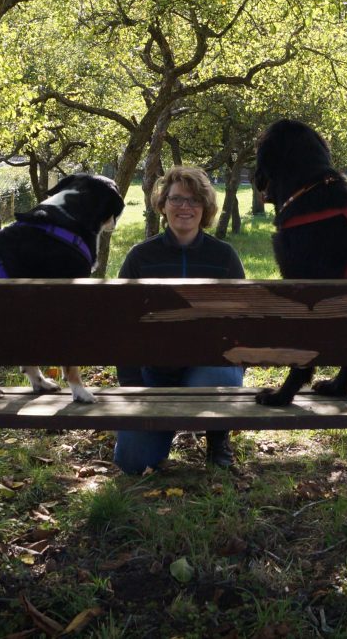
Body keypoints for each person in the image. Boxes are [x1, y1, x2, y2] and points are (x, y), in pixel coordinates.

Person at [114, 165, 245, 474]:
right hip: (154, 376)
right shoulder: (140, 257)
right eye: (176, 199)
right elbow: (120, 326)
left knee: (221, 377)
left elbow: (241, 324)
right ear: (162, 205)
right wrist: (133, 386)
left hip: (208, 369)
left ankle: (216, 436)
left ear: (206, 207)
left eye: (194, 200)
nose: (185, 207)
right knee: (132, 463)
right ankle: (163, 428)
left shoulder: (224, 257)